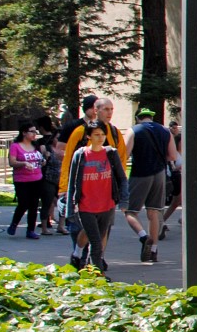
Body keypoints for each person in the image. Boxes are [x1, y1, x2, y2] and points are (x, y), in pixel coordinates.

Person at [64, 123, 127, 275]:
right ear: (88, 136)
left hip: (107, 205)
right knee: (96, 243)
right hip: (86, 206)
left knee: (98, 239)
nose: (100, 138)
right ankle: (98, 274)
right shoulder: (80, 155)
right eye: (96, 135)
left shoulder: (111, 154)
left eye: (103, 135)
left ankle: (83, 263)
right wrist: (70, 209)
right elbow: (72, 182)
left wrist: (124, 200)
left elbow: (122, 178)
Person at [124, 107, 177, 263]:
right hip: (160, 174)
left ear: (138, 118)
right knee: (154, 212)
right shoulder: (165, 131)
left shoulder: (134, 130)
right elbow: (173, 155)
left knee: (130, 211)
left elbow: (125, 154)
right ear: (151, 117)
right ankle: (154, 250)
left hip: (140, 173)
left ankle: (143, 236)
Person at [6, 122, 46, 239]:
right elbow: (12, 162)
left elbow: (40, 159)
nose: (34, 134)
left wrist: (43, 161)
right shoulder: (16, 146)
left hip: (37, 178)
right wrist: (23, 163)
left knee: (34, 205)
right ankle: (14, 224)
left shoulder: (36, 145)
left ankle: (31, 230)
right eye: (32, 131)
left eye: (35, 132)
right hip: (22, 180)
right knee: (23, 203)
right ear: (24, 132)